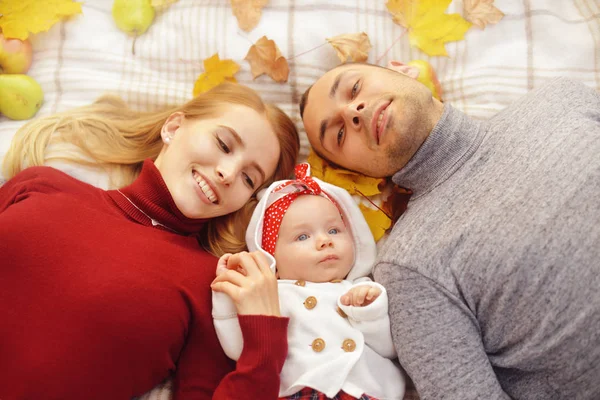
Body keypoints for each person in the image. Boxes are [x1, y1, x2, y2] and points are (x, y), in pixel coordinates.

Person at [299, 62, 600, 399]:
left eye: (354, 88)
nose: (353, 111)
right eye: (339, 134)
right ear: (359, 172)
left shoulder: (559, 99)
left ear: (403, 69)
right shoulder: (408, 268)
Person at [0, 82, 300, 400]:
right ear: (173, 126)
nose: (227, 172)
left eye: (248, 178)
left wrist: (265, 342)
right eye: (224, 145)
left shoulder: (210, 286)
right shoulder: (42, 184)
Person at [212, 163, 406, 400]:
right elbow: (238, 348)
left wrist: (368, 312)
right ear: (271, 257)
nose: (325, 241)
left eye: (334, 230)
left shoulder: (361, 290)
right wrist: (226, 292)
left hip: (364, 392)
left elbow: (390, 348)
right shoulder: (272, 296)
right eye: (302, 236)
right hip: (300, 391)